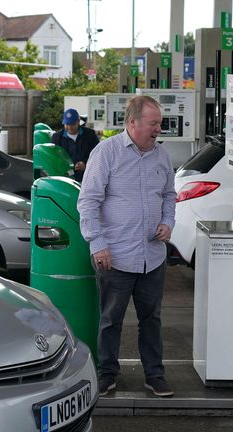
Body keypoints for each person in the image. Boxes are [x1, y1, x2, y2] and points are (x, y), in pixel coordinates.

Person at [77, 95, 176, 398]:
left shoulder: (162, 156)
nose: (159, 129)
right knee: (111, 320)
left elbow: (170, 195)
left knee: (152, 320)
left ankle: (154, 376)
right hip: (115, 256)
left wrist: (167, 222)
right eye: (153, 123)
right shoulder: (106, 152)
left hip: (152, 257)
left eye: (159, 123)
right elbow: (88, 200)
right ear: (133, 123)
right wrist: (97, 243)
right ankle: (107, 374)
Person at [50, 108, 99, 182]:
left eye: (72, 124)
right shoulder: (57, 137)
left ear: (78, 122)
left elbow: (98, 155)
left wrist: (86, 164)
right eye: (67, 124)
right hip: (65, 179)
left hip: (87, 178)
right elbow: (54, 158)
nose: (69, 127)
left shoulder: (90, 135)